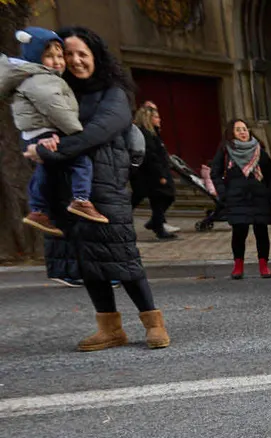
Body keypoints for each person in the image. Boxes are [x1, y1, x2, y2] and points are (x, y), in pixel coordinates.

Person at [28, 26, 170, 350]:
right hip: (65, 191)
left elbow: (99, 132)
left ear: (96, 57)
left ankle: (153, 322)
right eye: (68, 54)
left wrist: (53, 150)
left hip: (105, 188)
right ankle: (110, 328)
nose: (75, 60)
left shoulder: (114, 93)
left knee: (122, 257)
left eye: (83, 54)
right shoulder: (57, 94)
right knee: (86, 261)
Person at [2, 27, 107, 237]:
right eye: (49, 56)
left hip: (35, 133)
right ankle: (81, 199)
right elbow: (54, 107)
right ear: (35, 58)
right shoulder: (40, 78)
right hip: (46, 130)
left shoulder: (33, 76)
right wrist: (75, 131)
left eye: (60, 56)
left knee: (45, 170)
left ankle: (38, 210)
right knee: (81, 161)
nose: (58, 61)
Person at [211, 118, 271, 280]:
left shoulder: (259, 150)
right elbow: (216, 173)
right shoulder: (226, 151)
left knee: (261, 232)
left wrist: (270, 192)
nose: (243, 132)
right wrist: (223, 193)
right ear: (232, 133)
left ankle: (263, 265)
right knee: (239, 232)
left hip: (259, 197)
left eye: (245, 129)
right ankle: (238, 266)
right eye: (238, 129)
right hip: (236, 198)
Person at [130, 104, 178, 239]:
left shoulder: (154, 133)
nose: (159, 119)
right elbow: (151, 157)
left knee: (163, 198)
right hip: (149, 174)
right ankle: (157, 225)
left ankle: (156, 223)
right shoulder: (145, 135)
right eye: (156, 117)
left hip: (158, 171)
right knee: (161, 197)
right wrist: (160, 175)